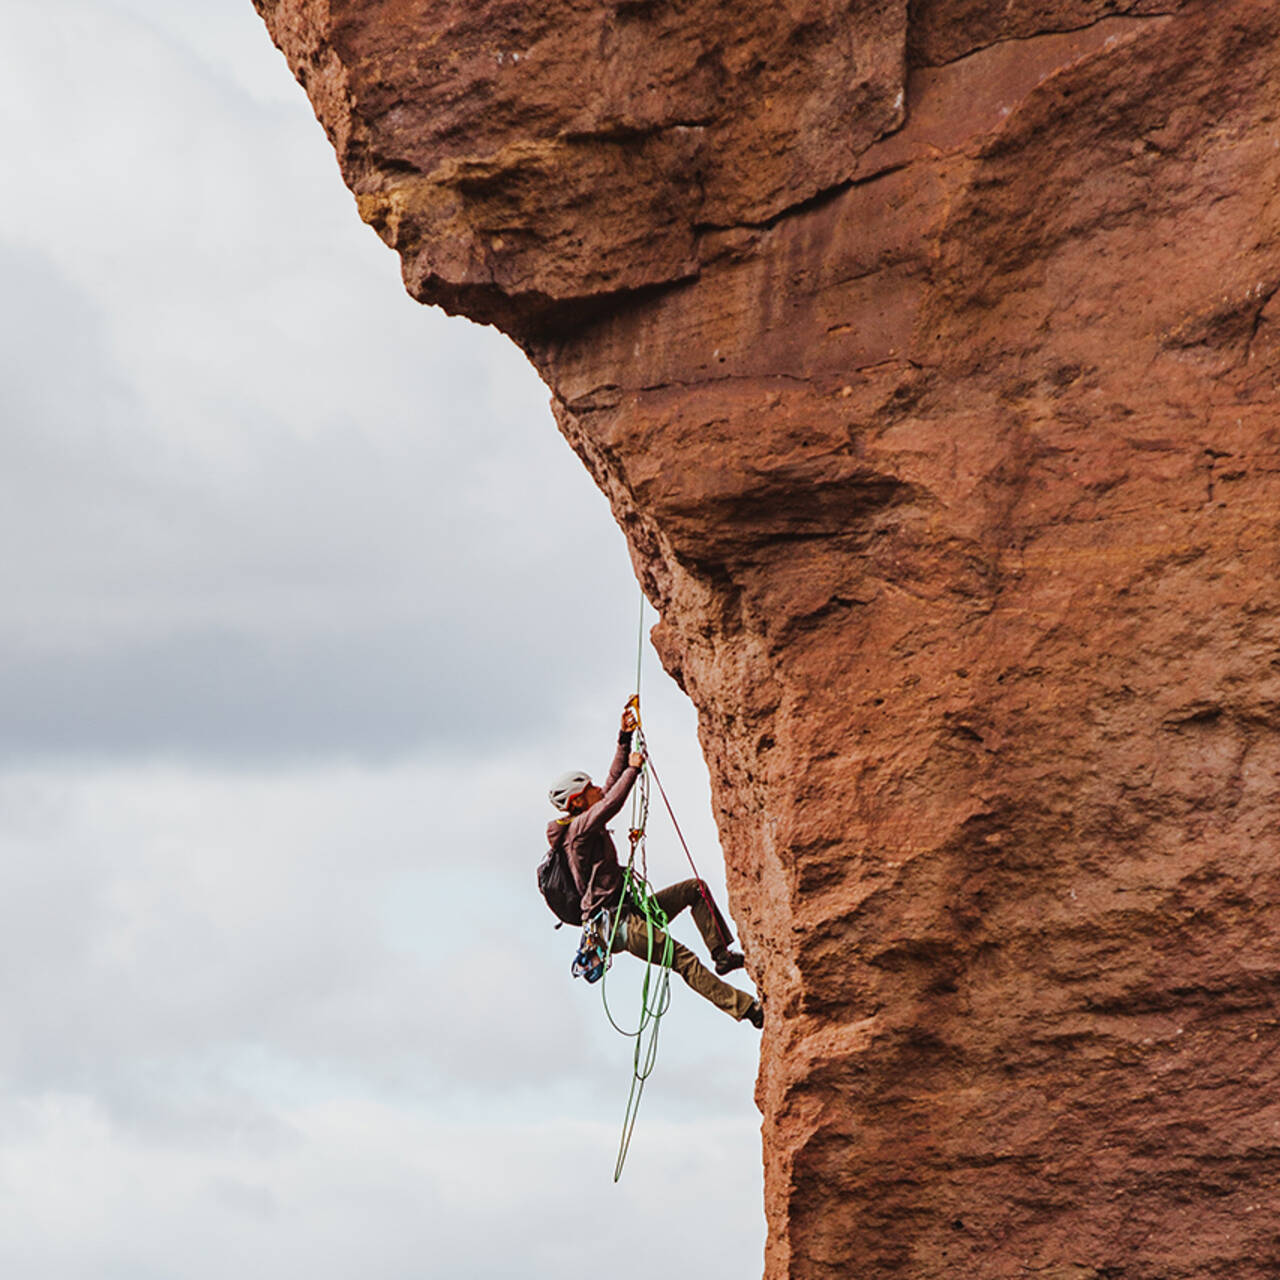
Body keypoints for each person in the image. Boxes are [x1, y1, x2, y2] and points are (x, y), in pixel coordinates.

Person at [546, 701, 763, 1028]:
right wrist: (634, 768)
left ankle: (722, 956)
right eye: (589, 789)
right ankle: (748, 1010)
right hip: (617, 924)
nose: (597, 790)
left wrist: (624, 738)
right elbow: (613, 802)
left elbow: (609, 787)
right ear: (576, 801)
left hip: (629, 911)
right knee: (683, 960)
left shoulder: (583, 821)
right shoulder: (577, 832)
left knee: (696, 890)